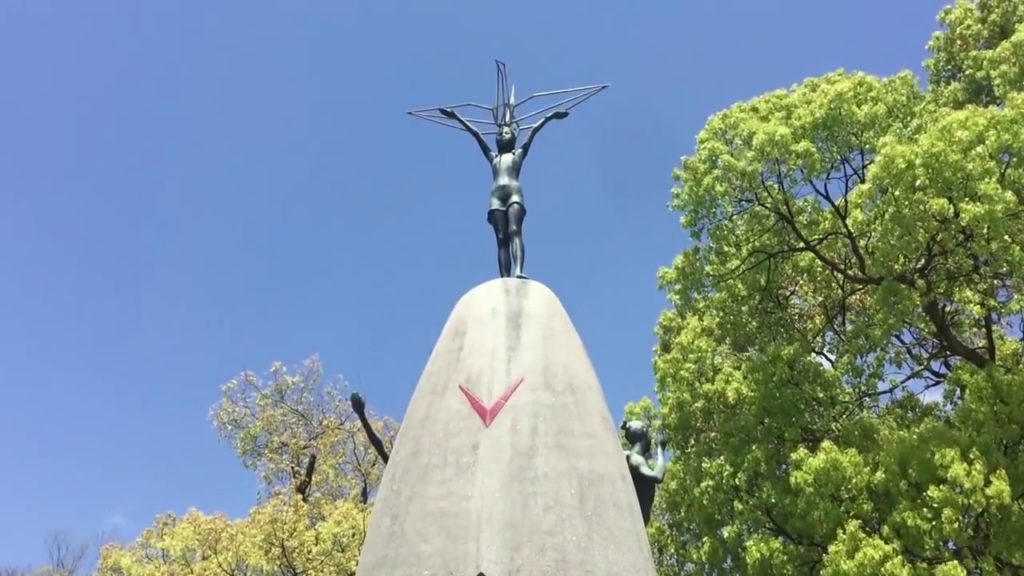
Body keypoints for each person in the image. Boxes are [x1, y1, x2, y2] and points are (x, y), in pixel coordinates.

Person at [438, 106, 569, 279]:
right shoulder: (493, 158)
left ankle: (519, 270)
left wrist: (550, 116)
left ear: (515, 137)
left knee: (515, 230)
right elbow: (476, 134)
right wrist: (456, 117)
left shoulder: (519, 154)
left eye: (507, 133)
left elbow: (534, 131)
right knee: (501, 238)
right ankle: (505, 278)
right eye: (499, 134)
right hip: (496, 198)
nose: (502, 135)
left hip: (514, 193)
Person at [621, 419, 668, 526]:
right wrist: (660, 450)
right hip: (633, 524)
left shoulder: (630, 457)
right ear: (644, 433)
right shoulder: (635, 458)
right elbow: (658, 476)